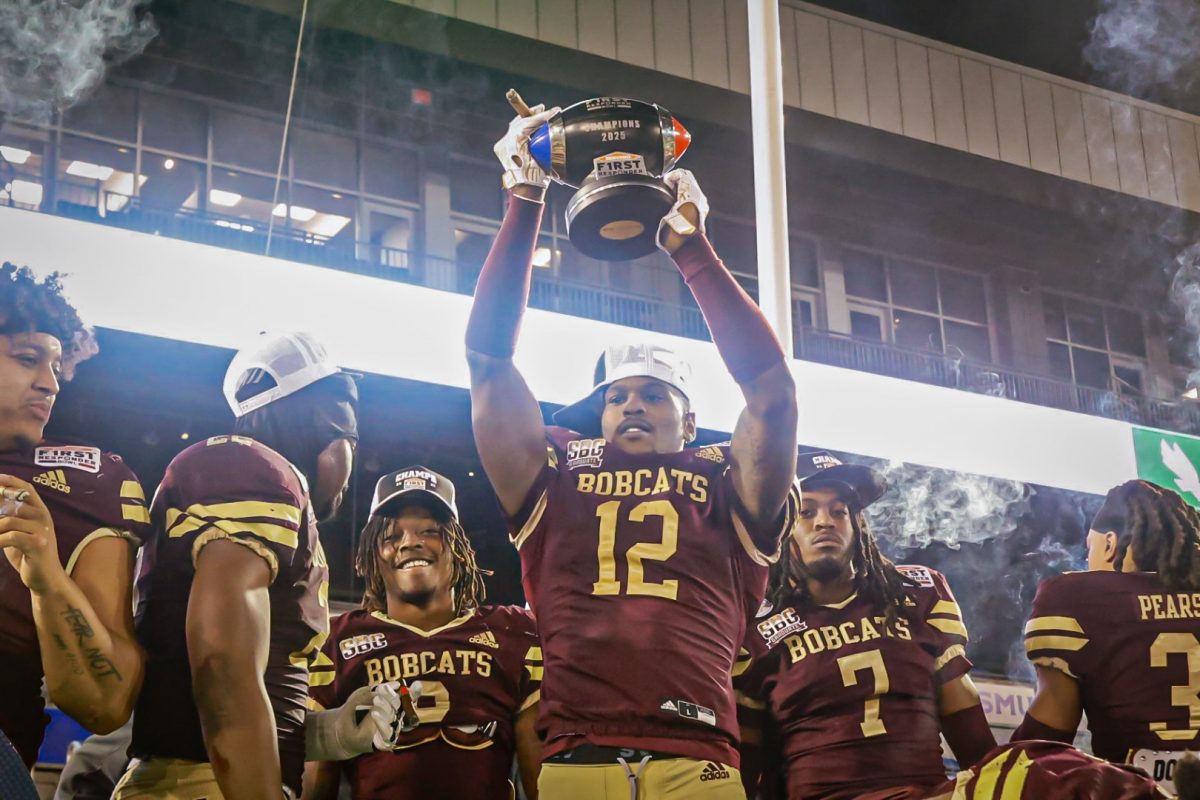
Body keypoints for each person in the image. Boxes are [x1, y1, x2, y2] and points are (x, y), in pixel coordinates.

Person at [465, 100, 800, 798]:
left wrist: (692, 249)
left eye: (653, 393)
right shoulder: (555, 470)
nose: (631, 404)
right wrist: (524, 198)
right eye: (617, 396)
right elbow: (488, 360)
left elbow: (771, 392)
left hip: (698, 755)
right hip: (577, 758)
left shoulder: (724, 477)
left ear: (691, 418)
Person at [116, 332, 398, 800]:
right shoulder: (254, 470)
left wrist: (329, 734)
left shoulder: (250, 478)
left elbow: (232, 693)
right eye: (348, 436)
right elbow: (221, 667)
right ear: (320, 425)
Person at [736, 451, 995, 800]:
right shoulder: (756, 622)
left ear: (858, 525)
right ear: (782, 528)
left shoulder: (916, 593)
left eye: (839, 511)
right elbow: (747, 764)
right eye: (807, 512)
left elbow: (973, 738)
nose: (825, 522)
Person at [303, 465, 542, 799]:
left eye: (429, 531)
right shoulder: (336, 641)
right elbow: (316, 780)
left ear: (458, 547)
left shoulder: (512, 632)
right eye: (391, 536)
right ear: (372, 553)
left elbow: (540, 774)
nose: (410, 543)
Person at [0, 262, 149, 769]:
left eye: (55, 366)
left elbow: (106, 705)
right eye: (27, 359)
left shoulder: (82, 480)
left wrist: (47, 580)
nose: (51, 384)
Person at [1014, 479, 1200, 797]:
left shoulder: (1079, 597)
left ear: (1110, 543)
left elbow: (1046, 737)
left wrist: (992, 767)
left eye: (1091, 549)